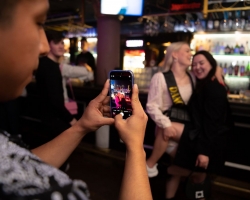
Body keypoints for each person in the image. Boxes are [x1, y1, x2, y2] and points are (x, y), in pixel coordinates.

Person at [0, 1, 152, 199]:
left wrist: (81, 126)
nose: (44, 47)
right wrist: (136, 148)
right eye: (39, 23)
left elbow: (23, 165)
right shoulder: (51, 193)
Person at [164, 51, 233, 200]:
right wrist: (217, 70)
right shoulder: (203, 83)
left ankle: (186, 170)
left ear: (211, 64)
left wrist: (204, 152)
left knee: (168, 131)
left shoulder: (214, 88)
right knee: (194, 180)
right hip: (201, 135)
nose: (197, 67)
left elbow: (212, 124)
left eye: (202, 63)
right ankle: (191, 172)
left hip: (211, 141)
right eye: (194, 64)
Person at [146, 42, 194, 177]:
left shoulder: (193, 78)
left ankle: (168, 193)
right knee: (188, 167)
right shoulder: (160, 78)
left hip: (185, 126)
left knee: (180, 169)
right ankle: (147, 168)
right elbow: (152, 106)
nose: (191, 54)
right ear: (175, 55)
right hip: (167, 130)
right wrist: (166, 124)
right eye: (187, 51)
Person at [35, 31, 93, 142]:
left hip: (47, 117)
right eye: (56, 43)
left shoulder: (44, 64)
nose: (61, 46)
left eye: (62, 43)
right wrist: (72, 120)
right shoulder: (51, 68)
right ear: (48, 45)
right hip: (55, 119)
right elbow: (55, 101)